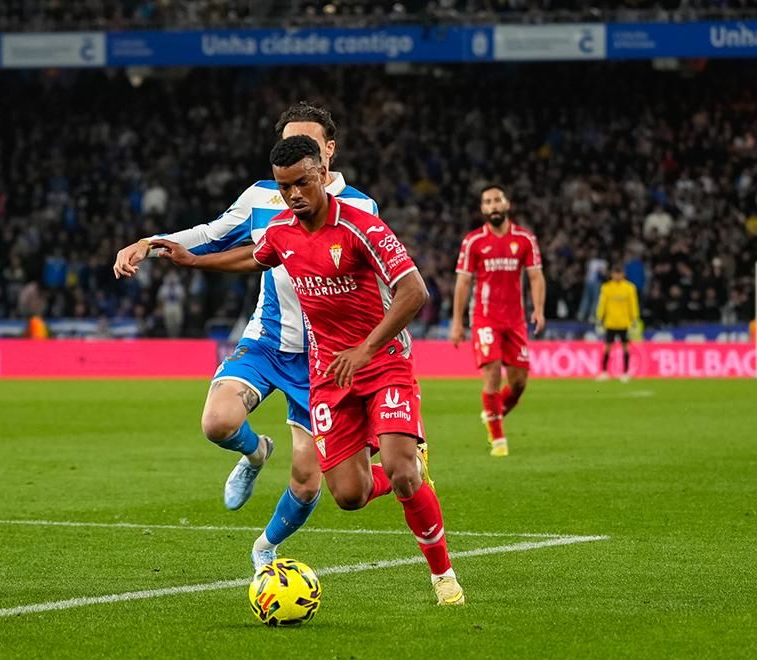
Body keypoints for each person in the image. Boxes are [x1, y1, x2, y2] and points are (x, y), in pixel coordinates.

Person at [153, 135, 464, 606]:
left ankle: (443, 576)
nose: (294, 194)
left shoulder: (362, 227)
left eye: (302, 182)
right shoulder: (281, 231)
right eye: (284, 187)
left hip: (383, 363)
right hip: (327, 375)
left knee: (399, 471)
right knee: (350, 494)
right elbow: (253, 258)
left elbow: (414, 292)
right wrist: (195, 260)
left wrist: (366, 348)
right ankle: (412, 470)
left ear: (322, 175)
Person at [112, 103, 378, 570]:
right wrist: (147, 244)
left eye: (309, 144)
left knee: (308, 480)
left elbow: (375, 287)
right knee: (217, 421)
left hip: (324, 357)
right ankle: (255, 453)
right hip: (268, 341)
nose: (297, 154)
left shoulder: (359, 207)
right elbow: (209, 236)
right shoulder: (262, 197)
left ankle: (265, 548)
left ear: (329, 150)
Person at [450, 185, 546, 458]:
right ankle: (498, 440)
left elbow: (536, 276)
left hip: (515, 320)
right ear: (483, 209)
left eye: (496, 200)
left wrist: (538, 309)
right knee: (491, 372)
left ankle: (492, 413)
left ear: (507, 205)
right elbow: (463, 282)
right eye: (487, 202)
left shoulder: (525, 239)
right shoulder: (473, 242)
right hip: (485, 318)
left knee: (518, 383)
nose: (492, 206)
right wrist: (457, 322)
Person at [596, 265, 640, 383]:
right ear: (612, 274)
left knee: (626, 348)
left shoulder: (630, 288)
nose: (617, 275)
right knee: (607, 348)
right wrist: (599, 318)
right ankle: (604, 372)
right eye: (615, 273)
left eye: (619, 273)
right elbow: (602, 304)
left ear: (623, 274)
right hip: (610, 323)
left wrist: (635, 319)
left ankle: (625, 373)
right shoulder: (606, 288)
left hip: (624, 323)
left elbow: (633, 304)